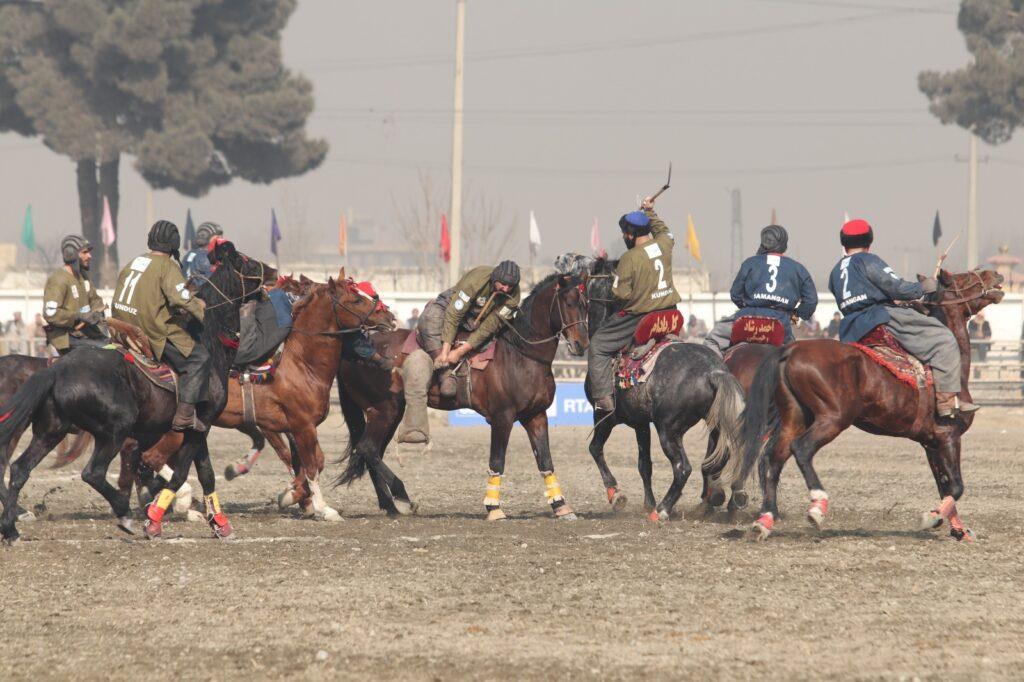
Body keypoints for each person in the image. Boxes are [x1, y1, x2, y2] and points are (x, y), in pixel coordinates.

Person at [828, 218, 977, 418]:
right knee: (944, 338)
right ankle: (946, 401)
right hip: (880, 317)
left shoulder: (835, 271)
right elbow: (896, 287)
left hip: (851, 326)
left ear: (843, 243)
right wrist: (923, 288)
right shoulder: (869, 260)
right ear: (869, 241)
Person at [397, 260, 522, 444]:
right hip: (450, 307)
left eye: (510, 286)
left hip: (480, 321)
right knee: (430, 318)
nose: (505, 288)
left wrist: (461, 351)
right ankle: (443, 370)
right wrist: (446, 350)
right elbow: (454, 314)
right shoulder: (477, 279)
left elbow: (489, 327)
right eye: (502, 284)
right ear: (495, 277)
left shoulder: (513, 297)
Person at [112, 220, 210, 432]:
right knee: (199, 358)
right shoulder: (167, 266)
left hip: (119, 327)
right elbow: (182, 298)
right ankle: (184, 415)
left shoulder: (134, 262)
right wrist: (202, 311)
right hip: (149, 330)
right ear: (174, 244)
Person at [588, 196, 681, 415]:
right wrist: (650, 211)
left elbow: (620, 294)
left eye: (625, 234)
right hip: (670, 315)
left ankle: (603, 400)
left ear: (630, 234)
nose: (624, 237)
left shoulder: (629, 258)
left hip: (641, 319)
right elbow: (664, 230)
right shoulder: (665, 244)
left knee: (598, 345)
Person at [704, 225, 817, 356]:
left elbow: (735, 294)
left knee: (713, 339)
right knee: (792, 357)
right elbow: (811, 301)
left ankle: (720, 374)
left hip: (747, 320)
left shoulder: (750, 263)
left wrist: (748, 306)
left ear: (763, 243)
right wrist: (796, 314)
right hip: (780, 323)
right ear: (784, 245)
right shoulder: (798, 269)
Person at [42, 234, 109, 355]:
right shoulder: (58, 279)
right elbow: (50, 313)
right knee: (104, 351)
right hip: (66, 338)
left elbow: (95, 300)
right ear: (71, 254)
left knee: (114, 348)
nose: (89, 256)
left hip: (86, 334)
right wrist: (78, 316)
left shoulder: (83, 277)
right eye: (85, 252)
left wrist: (97, 312)